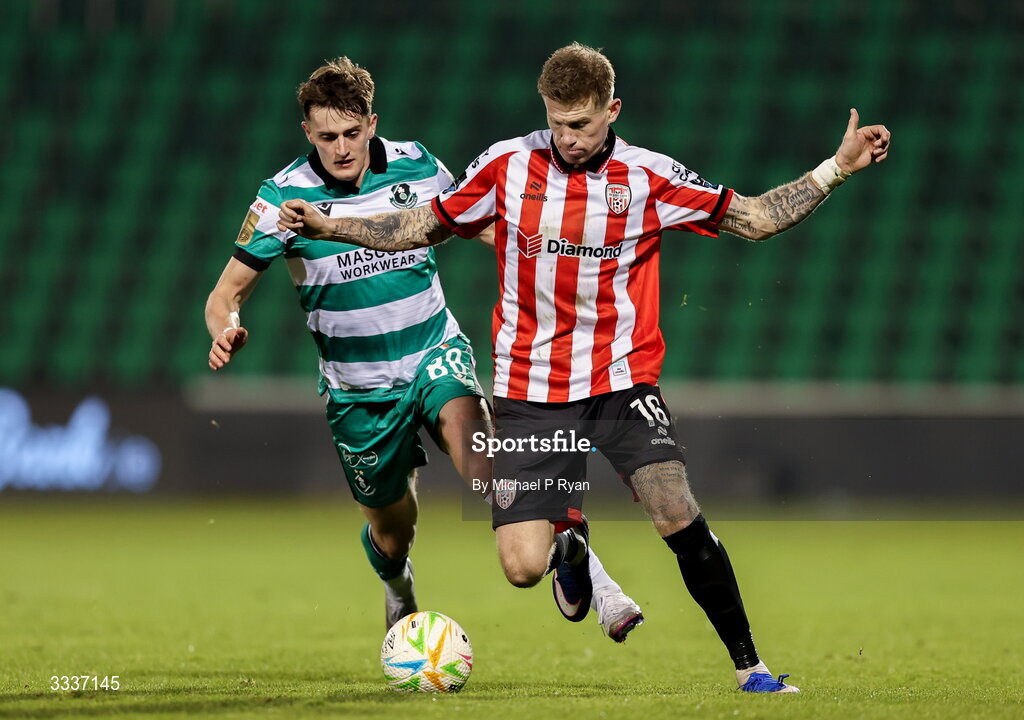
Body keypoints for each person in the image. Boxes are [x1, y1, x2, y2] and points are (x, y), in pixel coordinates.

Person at [277, 44, 891, 693]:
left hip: (621, 382)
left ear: (612, 110)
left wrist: (837, 168)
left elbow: (758, 217)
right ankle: (569, 540)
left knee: (674, 506)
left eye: (583, 124)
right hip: (530, 391)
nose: (569, 138)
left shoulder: (649, 177)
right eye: (558, 123)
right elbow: (425, 224)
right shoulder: (505, 166)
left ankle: (753, 669)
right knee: (520, 567)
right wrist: (333, 225)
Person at [205, 57, 645, 641]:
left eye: (353, 133)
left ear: (372, 122)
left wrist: (547, 247)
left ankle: (591, 573)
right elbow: (224, 293)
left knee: (492, 469)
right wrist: (225, 328)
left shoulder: (417, 164)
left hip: (433, 353)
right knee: (393, 532)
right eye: (328, 137)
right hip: (358, 394)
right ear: (307, 134)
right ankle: (398, 584)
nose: (341, 148)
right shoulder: (281, 200)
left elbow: (478, 223)